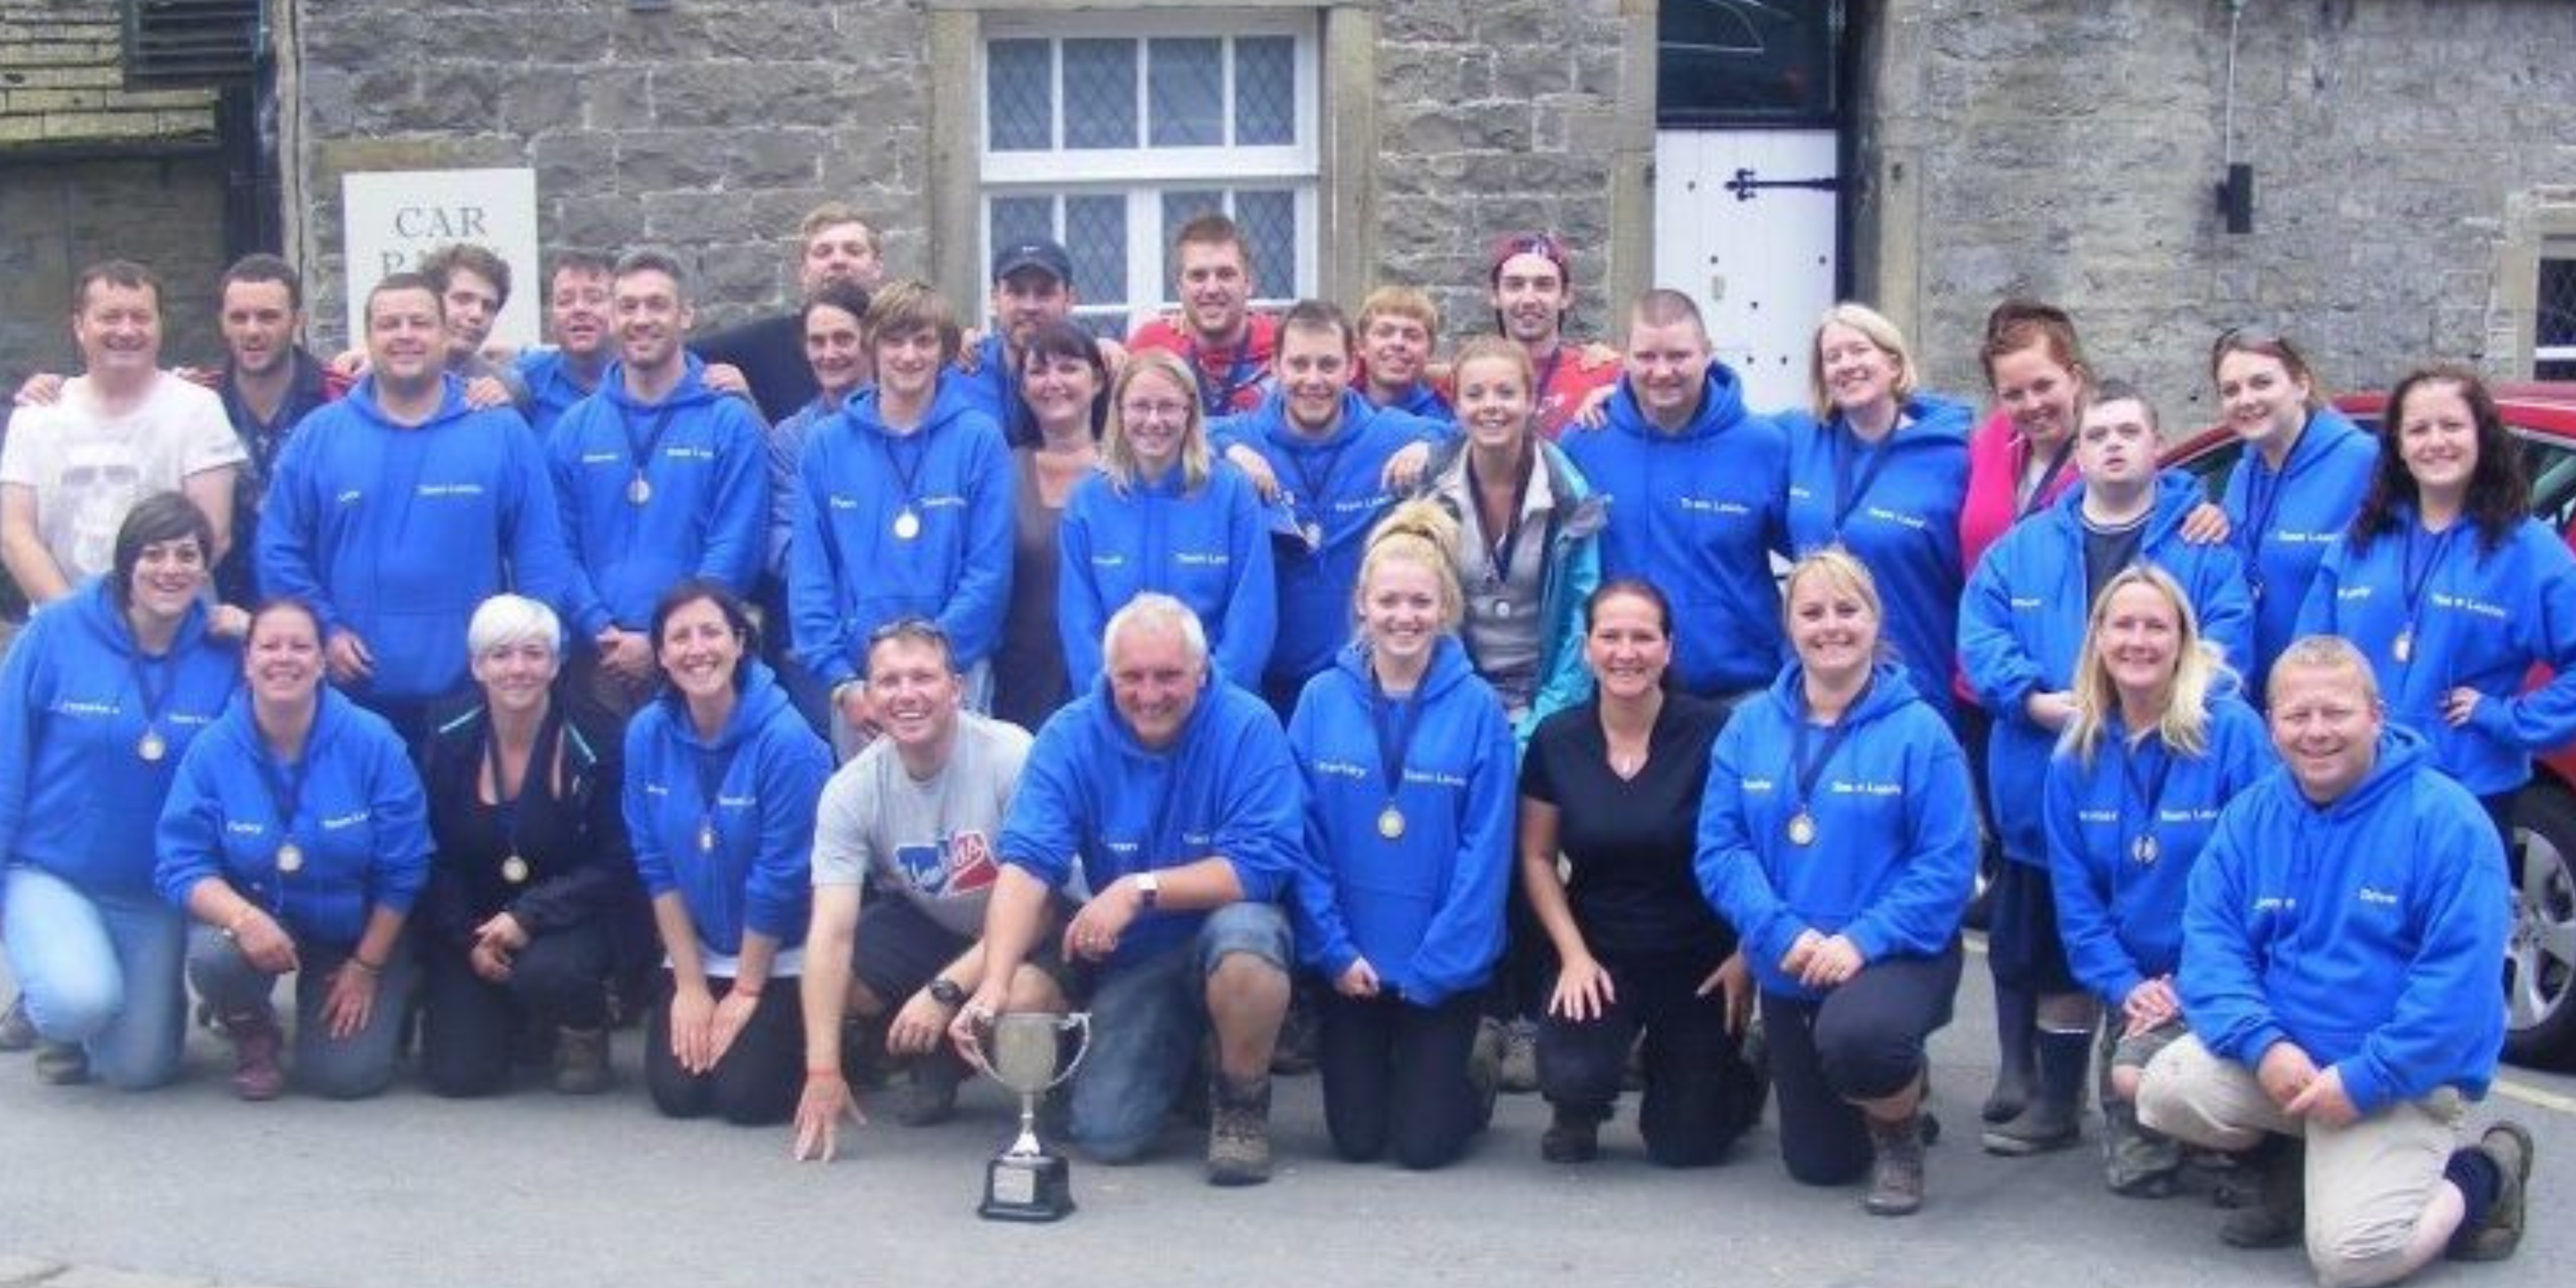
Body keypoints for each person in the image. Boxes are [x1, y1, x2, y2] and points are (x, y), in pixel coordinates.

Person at [2137, 635, 2534, 1283]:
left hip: (2397, 1078)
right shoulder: (2251, 817)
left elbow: (2456, 994)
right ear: (2273, 727)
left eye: (2336, 713)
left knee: (2351, 1260)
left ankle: (2485, 1172)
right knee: (2162, 1090)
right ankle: (2298, 1162)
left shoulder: (2448, 824)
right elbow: (2212, 945)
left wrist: (2365, 1080)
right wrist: (2263, 1047)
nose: (2316, 732)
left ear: (2376, 715)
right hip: (2289, 1065)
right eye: (2298, 716)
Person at [1960, 379, 2253, 1155]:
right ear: (2078, 452)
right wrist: (2035, 700)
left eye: (2130, 431)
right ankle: (2056, 1103)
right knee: (2058, 945)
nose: (2114, 445)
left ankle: (2170, 1102)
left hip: (2177, 779)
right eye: (2099, 435)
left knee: (2181, 933)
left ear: (2157, 443)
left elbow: (2229, 642)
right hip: (2050, 783)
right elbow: (1980, 637)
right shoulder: (2022, 549)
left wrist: (2157, 705)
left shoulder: (2200, 541)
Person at [949, 593, 1302, 1185]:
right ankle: (1176, 1065)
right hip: (1133, 959)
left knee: (1248, 942)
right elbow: (1027, 864)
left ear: (1201, 669)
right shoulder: (1069, 735)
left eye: (1168, 675)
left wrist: (1139, 888)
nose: (1149, 694)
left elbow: (1261, 866)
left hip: (1223, 934)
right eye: (1131, 677)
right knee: (1107, 1135)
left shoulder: (1248, 725)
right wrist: (993, 982)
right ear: (1107, 674)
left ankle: (1242, 1101)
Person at [1696, 550, 1977, 1215]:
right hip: (1792, 959)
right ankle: (1877, 1073)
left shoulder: (1920, 731)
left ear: (1875, 619)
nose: (1831, 627)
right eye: (1812, 612)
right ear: (1789, 625)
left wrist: (1860, 941)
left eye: (1847, 610)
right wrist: (1778, 932)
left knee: (1863, 1040)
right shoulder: (1749, 727)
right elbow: (1721, 848)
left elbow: (1946, 866)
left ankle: (1900, 1132)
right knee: (1820, 1166)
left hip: (1895, 954)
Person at [1286, 502, 1513, 1170]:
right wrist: (1332, 950)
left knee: (1422, 1148)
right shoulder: (1320, 699)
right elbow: (1303, 840)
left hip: (1438, 966)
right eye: (1388, 600)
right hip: (1350, 961)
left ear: (1445, 607)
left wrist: (1438, 966)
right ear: (1362, 602)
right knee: (1356, 1141)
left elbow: (1486, 851)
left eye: (1420, 601)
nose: (1403, 617)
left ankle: (1474, 1071)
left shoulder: (1478, 710)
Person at [258, 272, 575, 744]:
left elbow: (540, 555)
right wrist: (324, 629)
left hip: (472, 697)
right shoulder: (319, 436)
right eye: (389, 324)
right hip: (350, 698)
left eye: (420, 323)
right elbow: (278, 551)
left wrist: (533, 654)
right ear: (368, 338)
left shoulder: (500, 432)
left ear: (445, 334)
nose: (405, 335)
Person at [790, 619, 1059, 1162]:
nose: (906, 695)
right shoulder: (850, 789)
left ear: (956, 688)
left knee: (1022, 998)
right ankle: (910, 1052)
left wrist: (944, 991)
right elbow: (830, 932)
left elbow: (1042, 907)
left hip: (1031, 927)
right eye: (889, 682)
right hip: (935, 919)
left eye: (923, 678)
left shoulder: (1012, 754)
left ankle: (957, 1057)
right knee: (831, 978)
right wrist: (822, 1068)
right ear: (868, 696)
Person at [2042, 565, 2272, 1196]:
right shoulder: (2074, 756)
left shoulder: (2232, 734)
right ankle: (2186, 1116)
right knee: (2137, 1152)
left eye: (2156, 626)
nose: (2138, 641)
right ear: (2098, 640)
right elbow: (2077, 904)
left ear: (2183, 641)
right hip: (2139, 989)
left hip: (2230, 976)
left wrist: (2196, 979)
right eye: (2123, 625)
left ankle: (2256, 1142)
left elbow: (2264, 881)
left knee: (2216, 1123)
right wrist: (2127, 987)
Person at [0, 495, 238, 1088]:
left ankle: (122, 1002)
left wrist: (258, 629)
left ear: (205, 568)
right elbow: (8, 752)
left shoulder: (223, 649)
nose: (170, 569)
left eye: (187, 555)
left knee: (138, 1071)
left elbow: (299, 710)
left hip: (150, 890)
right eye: (153, 554)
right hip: (51, 870)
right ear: (125, 563)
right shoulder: (57, 631)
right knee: (78, 1000)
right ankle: (54, 1010)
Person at [1521, 579, 1761, 1166]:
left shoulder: (1717, 733)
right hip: (1599, 952)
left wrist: (1747, 954)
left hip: (1699, 959)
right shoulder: (1557, 740)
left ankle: (1743, 1068)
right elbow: (1536, 858)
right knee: (1575, 1073)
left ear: (1669, 648)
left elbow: (1759, 847)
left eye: (1642, 637)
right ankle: (1579, 1104)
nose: (1625, 652)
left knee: (1689, 1146)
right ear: (1586, 648)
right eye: (1610, 636)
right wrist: (1573, 957)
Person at [155, 597, 431, 1100]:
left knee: (344, 1078)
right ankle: (251, 1028)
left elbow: (406, 868)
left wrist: (367, 966)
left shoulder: (374, 742)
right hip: (263, 919)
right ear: (247, 660)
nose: (284, 658)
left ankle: (396, 987)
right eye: (269, 646)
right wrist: (243, 919)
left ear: (323, 661)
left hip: (356, 931)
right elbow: (181, 862)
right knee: (215, 956)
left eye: (300, 646)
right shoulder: (213, 748)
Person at [2294, 365, 2576, 854]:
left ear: (2483, 438)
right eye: (2418, 429)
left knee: (2454, 929)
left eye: (2452, 426)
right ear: (2399, 447)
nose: (2435, 441)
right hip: (2360, 786)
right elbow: (2308, 656)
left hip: (2469, 791)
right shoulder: (2362, 539)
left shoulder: (2527, 549)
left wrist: (2506, 718)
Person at [416, 594, 640, 1099]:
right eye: (500, 654)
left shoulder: (600, 737)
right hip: (474, 922)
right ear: (477, 666)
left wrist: (530, 916)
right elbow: (432, 852)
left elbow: (618, 860)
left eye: (534, 653)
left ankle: (582, 1025)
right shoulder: (446, 732)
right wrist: (465, 937)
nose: (518, 668)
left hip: (572, 917)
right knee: (461, 1077)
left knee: (549, 972)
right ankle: (516, 1018)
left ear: (558, 662)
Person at [625, 579, 833, 1125]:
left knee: (746, 1100)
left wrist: (745, 989)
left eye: (712, 632)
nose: (698, 649)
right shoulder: (646, 734)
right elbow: (655, 866)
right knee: (679, 1095)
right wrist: (691, 986)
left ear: (740, 642)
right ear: (662, 655)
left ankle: (834, 1036)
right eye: (680, 637)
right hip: (696, 948)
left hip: (779, 951)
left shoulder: (787, 741)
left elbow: (780, 877)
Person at [788, 281, 1014, 758]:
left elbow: (988, 573)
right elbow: (810, 576)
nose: (908, 355)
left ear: (947, 350)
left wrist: (932, 667)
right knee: (871, 824)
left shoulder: (979, 439)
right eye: (894, 340)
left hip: (956, 675)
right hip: (860, 686)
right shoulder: (826, 445)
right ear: (871, 346)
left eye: (924, 340)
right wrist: (842, 681)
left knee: (962, 828)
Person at [548, 249, 769, 719]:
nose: (641, 319)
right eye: (627, 306)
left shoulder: (730, 422)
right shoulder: (574, 427)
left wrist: (666, 639)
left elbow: (736, 545)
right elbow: (557, 545)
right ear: (610, 315)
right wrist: (597, 626)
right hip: (598, 659)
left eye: (657, 305)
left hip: (699, 660)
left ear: (686, 314)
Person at [1211, 299, 1445, 714]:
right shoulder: (1244, 436)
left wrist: (1429, 447)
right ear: (1276, 367)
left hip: (1358, 688)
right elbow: (1184, 430)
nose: (1313, 379)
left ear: (1352, 366)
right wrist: (1230, 451)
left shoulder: (1388, 432)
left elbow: (1468, 435)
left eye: (1327, 365)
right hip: (1268, 688)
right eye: (1299, 365)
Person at [1559, 288, 1786, 703]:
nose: (1662, 371)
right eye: (1646, 357)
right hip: (1620, 695)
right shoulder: (1585, 443)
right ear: (1624, 356)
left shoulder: (1764, 447)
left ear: (1708, 353)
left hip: (1738, 695)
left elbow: (1815, 553)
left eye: (1678, 356)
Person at [1, 260, 244, 608]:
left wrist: (141, 620)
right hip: (65, 633)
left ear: (160, 326)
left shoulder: (198, 410)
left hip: (171, 629)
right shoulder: (35, 417)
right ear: (79, 326)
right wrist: (77, 622)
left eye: (141, 317)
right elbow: (14, 535)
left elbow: (213, 534)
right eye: (110, 317)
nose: (127, 330)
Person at [1781, 303, 1975, 729]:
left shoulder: (1953, 456)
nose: (1846, 365)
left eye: (1858, 350)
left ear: (1893, 361)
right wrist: (1617, 391)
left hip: (1917, 681)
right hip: (1820, 684)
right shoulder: (1800, 439)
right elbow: (1717, 427)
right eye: (1832, 358)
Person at [1413, 334, 1601, 747]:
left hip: (1549, 700)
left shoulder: (1568, 495)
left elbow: (1580, 618)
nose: (1491, 405)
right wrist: (1459, 704)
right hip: (1454, 695)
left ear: (1532, 400)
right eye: (1475, 394)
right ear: (1456, 405)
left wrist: (1544, 724)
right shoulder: (1428, 493)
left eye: (1506, 392)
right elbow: (1420, 608)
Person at [1059, 348, 1276, 695]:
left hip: (1214, 705)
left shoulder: (1232, 493)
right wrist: (1112, 703)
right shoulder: (1088, 500)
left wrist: (1210, 701)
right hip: (1119, 708)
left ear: (1190, 413)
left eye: (1168, 407)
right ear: (1119, 411)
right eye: (1141, 406)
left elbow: (1251, 618)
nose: (1154, 420)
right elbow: (1079, 624)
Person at [2210, 327, 2379, 698]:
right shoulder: (2242, 473)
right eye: (2231, 390)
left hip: (2327, 703)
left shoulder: (2363, 462)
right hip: (2254, 692)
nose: (2246, 399)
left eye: (2261, 383)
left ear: (2301, 385)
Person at [758, 279, 873, 735]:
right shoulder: (790, 439)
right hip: (822, 645)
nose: (830, 353)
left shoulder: (907, 426)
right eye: (817, 341)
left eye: (843, 338)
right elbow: (782, 541)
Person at [204, 254, 350, 606]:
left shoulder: (344, 398)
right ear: (222, 323)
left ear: (298, 320)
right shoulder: (196, 403)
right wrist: (52, 388)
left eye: (268, 317)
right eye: (239, 317)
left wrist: (486, 389)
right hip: (219, 618)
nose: (252, 330)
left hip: (320, 614)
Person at [992, 320, 1105, 731]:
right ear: (1022, 389)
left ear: (1097, 380)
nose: (1053, 381)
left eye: (1069, 367)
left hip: (1113, 680)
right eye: (1038, 371)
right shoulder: (1001, 470)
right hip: (1021, 686)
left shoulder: (1128, 470)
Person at [696, 203, 887, 421]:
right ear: (804, 272)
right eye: (823, 252)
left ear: (877, 267)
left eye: (853, 250)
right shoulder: (763, 344)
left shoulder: (908, 344)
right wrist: (741, 405)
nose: (838, 261)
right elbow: (674, 361)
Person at [953, 237, 1124, 449]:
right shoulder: (963, 370)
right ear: (995, 298)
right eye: (1016, 292)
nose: (1030, 306)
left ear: (1069, 299)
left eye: (1044, 293)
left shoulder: (1103, 369)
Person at [1128, 213, 1277, 417]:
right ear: (1180, 287)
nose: (1212, 288)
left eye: (1225, 274)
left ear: (1249, 283)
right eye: (1198, 276)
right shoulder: (1149, 345)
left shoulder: (1282, 342)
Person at [1485, 231, 1620, 441]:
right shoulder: (1469, 378)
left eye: (1543, 285)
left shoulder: (1603, 372)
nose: (1529, 298)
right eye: (1515, 285)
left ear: (1566, 296)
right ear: (1495, 296)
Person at [416, 243, 534, 410]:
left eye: (488, 306)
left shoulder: (510, 388)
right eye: (463, 299)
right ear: (428, 300)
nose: (477, 314)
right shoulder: (383, 377)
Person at [517, 250, 618, 441]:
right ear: (550, 318)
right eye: (565, 301)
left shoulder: (648, 380)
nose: (579, 309)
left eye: (594, 299)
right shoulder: (524, 383)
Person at [1352, 286, 1449, 419]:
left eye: (1412, 336)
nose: (1398, 343)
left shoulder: (1449, 419)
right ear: (1361, 346)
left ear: (1430, 350)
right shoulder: (1337, 410)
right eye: (1385, 333)